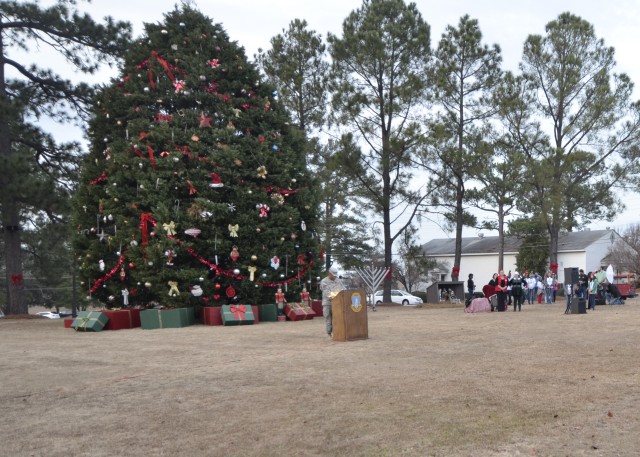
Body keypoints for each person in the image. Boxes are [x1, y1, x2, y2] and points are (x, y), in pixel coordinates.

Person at [319, 265, 345, 338]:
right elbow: (327, 293)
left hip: (338, 303)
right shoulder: (324, 281)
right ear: (329, 273)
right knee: (328, 318)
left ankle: (337, 333)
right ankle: (329, 332)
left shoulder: (338, 281)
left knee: (337, 318)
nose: (334, 277)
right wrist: (336, 296)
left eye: (335, 275)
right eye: (333, 275)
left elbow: (343, 290)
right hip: (328, 303)